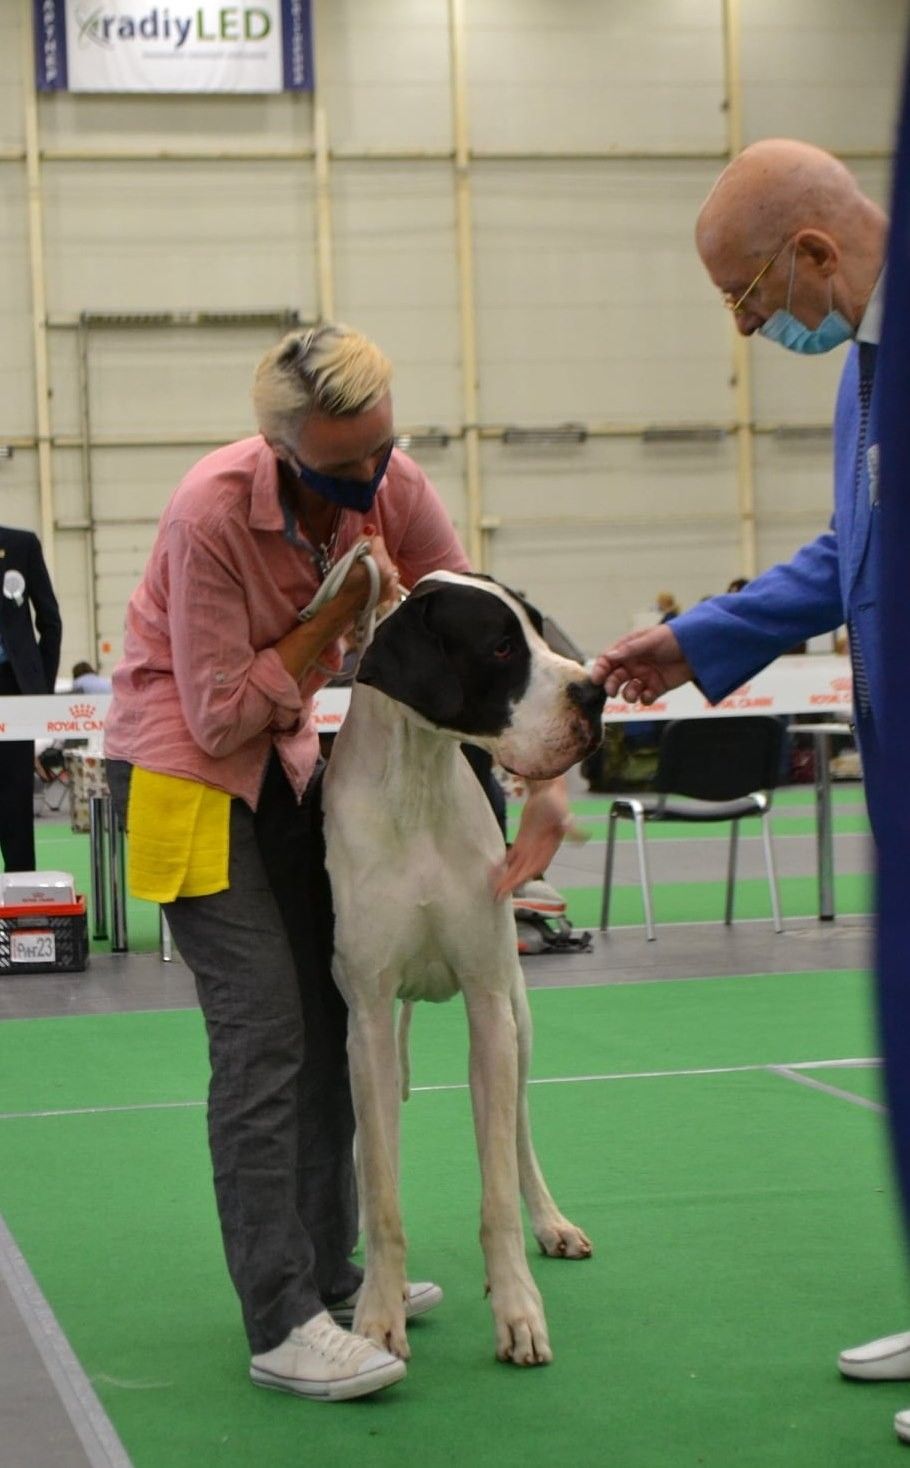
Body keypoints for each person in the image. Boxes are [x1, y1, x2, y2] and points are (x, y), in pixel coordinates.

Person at [103, 323, 570, 1403]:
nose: (372, 481)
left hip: (289, 766)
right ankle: (281, 1320)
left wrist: (549, 771)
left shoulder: (388, 479)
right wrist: (337, 616)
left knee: (333, 1020)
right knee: (265, 1030)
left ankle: (341, 1275)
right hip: (184, 772)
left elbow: (486, 618)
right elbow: (219, 715)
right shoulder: (211, 513)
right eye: (344, 464)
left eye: (382, 451)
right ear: (284, 448)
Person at [588, 138, 905, 1443]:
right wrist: (698, 637)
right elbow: (851, 554)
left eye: (747, 295)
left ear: (813, 252)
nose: (744, 325)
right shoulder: (858, 379)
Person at [0, 525, 62, 871]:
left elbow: (50, 622)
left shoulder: (21, 545)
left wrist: (40, 690)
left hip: (12, 687)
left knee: (15, 802)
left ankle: (20, 893)